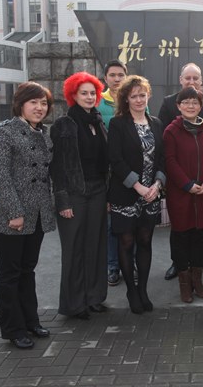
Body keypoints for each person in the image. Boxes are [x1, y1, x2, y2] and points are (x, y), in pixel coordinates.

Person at [0, 82, 55, 349]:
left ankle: (31, 321)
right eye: (34, 102)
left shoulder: (44, 133)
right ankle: (14, 329)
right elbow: (0, 175)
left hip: (36, 214)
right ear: (21, 104)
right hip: (10, 215)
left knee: (28, 270)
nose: (39, 108)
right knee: (10, 273)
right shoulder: (6, 132)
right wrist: (15, 212)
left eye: (44, 103)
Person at [158, 63, 203, 281]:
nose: (192, 82)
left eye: (196, 78)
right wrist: (183, 181)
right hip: (180, 179)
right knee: (180, 226)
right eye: (188, 78)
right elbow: (166, 147)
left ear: (201, 80)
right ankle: (178, 264)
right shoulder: (169, 104)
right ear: (181, 80)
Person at [51, 72, 109, 320]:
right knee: (74, 248)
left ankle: (94, 298)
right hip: (74, 194)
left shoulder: (98, 122)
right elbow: (57, 167)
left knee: (96, 245)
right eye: (83, 93)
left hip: (98, 191)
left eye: (92, 93)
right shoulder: (64, 125)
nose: (89, 97)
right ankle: (74, 304)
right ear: (73, 95)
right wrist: (62, 200)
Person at [108, 75, 166, 314]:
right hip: (126, 194)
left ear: (148, 95)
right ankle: (131, 291)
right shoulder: (118, 124)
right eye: (134, 96)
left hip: (152, 195)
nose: (139, 99)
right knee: (126, 242)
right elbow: (115, 160)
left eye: (143, 95)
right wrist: (138, 186)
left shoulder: (156, 123)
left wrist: (158, 184)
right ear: (126, 99)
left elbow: (162, 158)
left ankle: (143, 289)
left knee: (145, 241)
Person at [163, 87, 203, 303]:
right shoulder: (171, 131)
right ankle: (184, 284)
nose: (190, 106)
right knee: (181, 237)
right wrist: (186, 184)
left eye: (194, 102)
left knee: (199, 236)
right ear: (178, 106)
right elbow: (170, 161)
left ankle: (198, 281)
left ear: (200, 106)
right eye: (185, 102)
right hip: (181, 194)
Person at [97, 59, 128, 287]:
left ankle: (130, 264)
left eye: (120, 75)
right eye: (113, 75)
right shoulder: (98, 102)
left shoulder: (134, 101)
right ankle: (113, 266)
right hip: (107, 171)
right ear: (106, 78)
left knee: (131, 223)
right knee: (110, 225)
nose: (117, 79)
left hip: (131, 170)